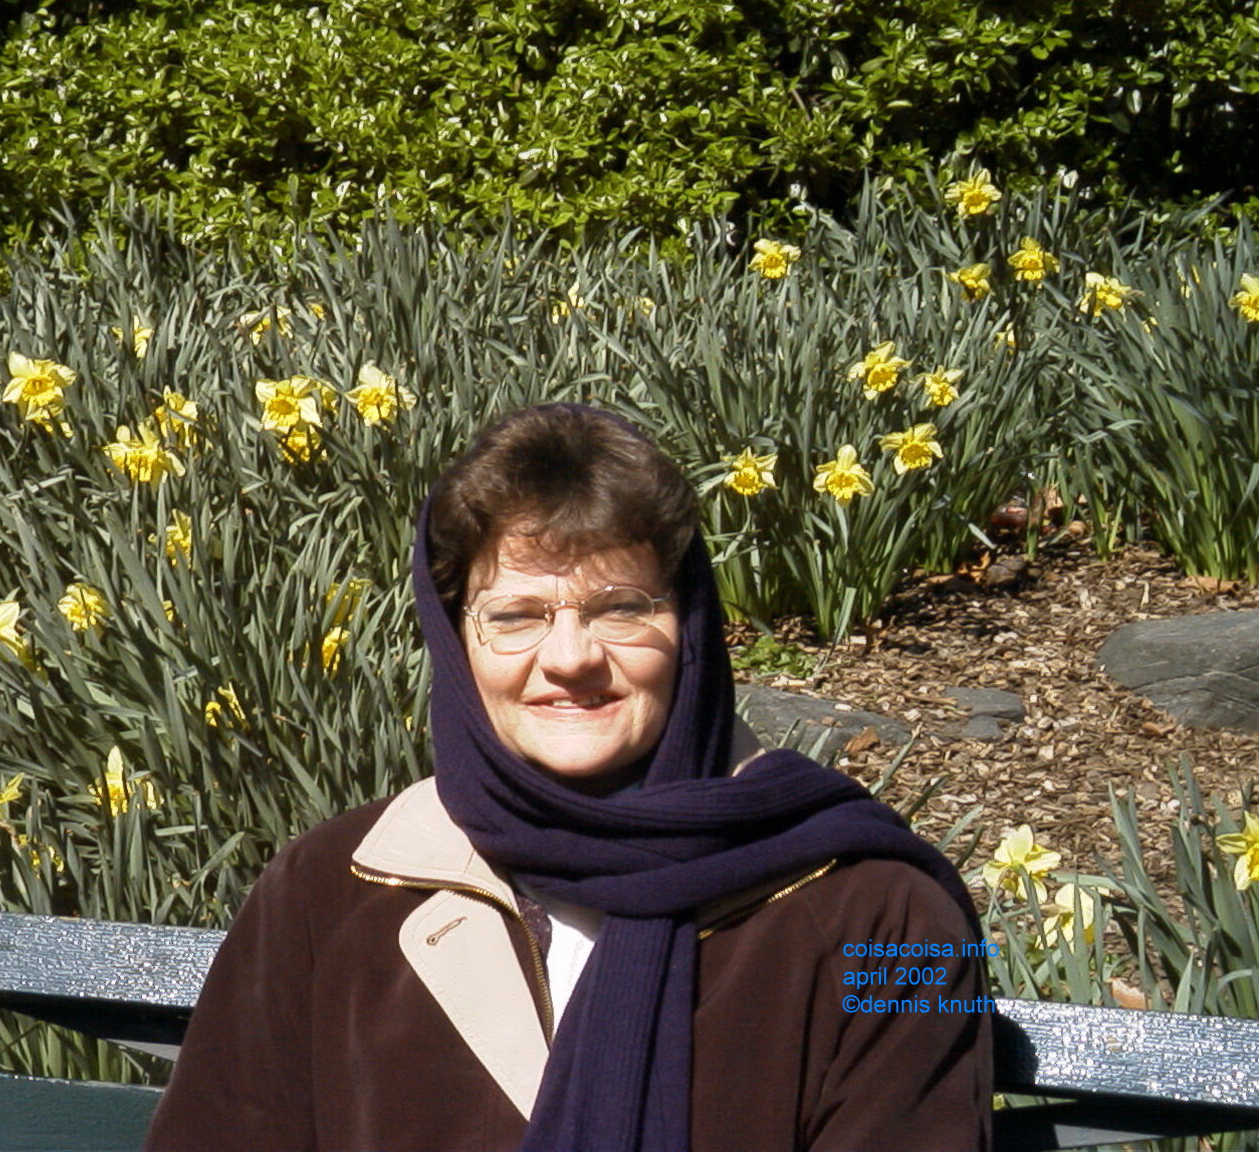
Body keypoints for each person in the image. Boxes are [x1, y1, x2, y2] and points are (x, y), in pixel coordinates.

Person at [144, 405, 993, 1152]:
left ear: (689, 621)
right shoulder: (329, 891)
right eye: (515, 615)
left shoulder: (886, 917)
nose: (571, 657)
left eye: (622, 606)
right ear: (455, 640)